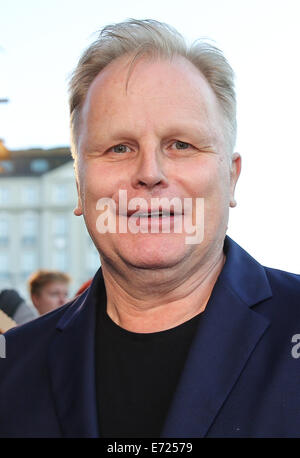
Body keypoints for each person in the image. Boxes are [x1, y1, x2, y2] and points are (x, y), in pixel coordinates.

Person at [0, 19, 300, 438]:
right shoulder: (10, 366)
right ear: (80, 188)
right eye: (119, 148)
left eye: (181, 145)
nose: (149, 173)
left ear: (230, 178)